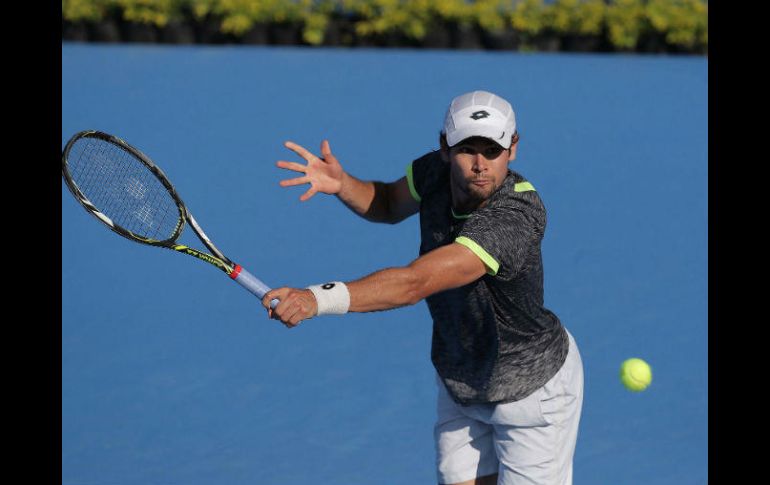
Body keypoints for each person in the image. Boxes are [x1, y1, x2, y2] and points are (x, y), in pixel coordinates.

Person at [262, 90, 583, 485]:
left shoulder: (515, 215)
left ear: (513, 148)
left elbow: (416, 283)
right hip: (461, 378)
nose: (480, 165)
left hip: (532, 394)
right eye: (467, 150)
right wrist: (343, 183)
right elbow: (387, 203)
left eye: (493, 150)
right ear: (444, 148)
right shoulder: (434, 172)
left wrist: (317, 298)